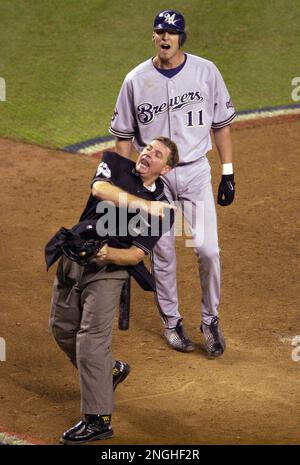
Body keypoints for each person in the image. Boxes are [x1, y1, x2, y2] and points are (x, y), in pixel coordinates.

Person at [109, 9, 236, 357]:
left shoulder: (205, 71)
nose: (165, 38)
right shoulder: (135, 80)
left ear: (182, 37)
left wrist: (227, 171)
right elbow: (123, 138)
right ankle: (171, 322)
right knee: (162, 253)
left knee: (207, 249)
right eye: (159, 31)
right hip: (154, 179)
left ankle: (210, 320)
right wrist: (125, 187)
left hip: (195, 172)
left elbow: (221, 124)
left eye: (172, 32)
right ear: (153, 37)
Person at [45, 137, 178, 445]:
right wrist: (144, 204)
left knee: (91, 341)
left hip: (109, 272)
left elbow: (135, 254)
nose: (147, 154)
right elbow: (100, 189)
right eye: (148, 148)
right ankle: (111, 371)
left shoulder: (165, 211)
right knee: (62, 328)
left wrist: (107, 255)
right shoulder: (116, 164)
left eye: (157, 154)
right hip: (73, 257)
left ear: (166, 168)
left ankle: (98, 420)